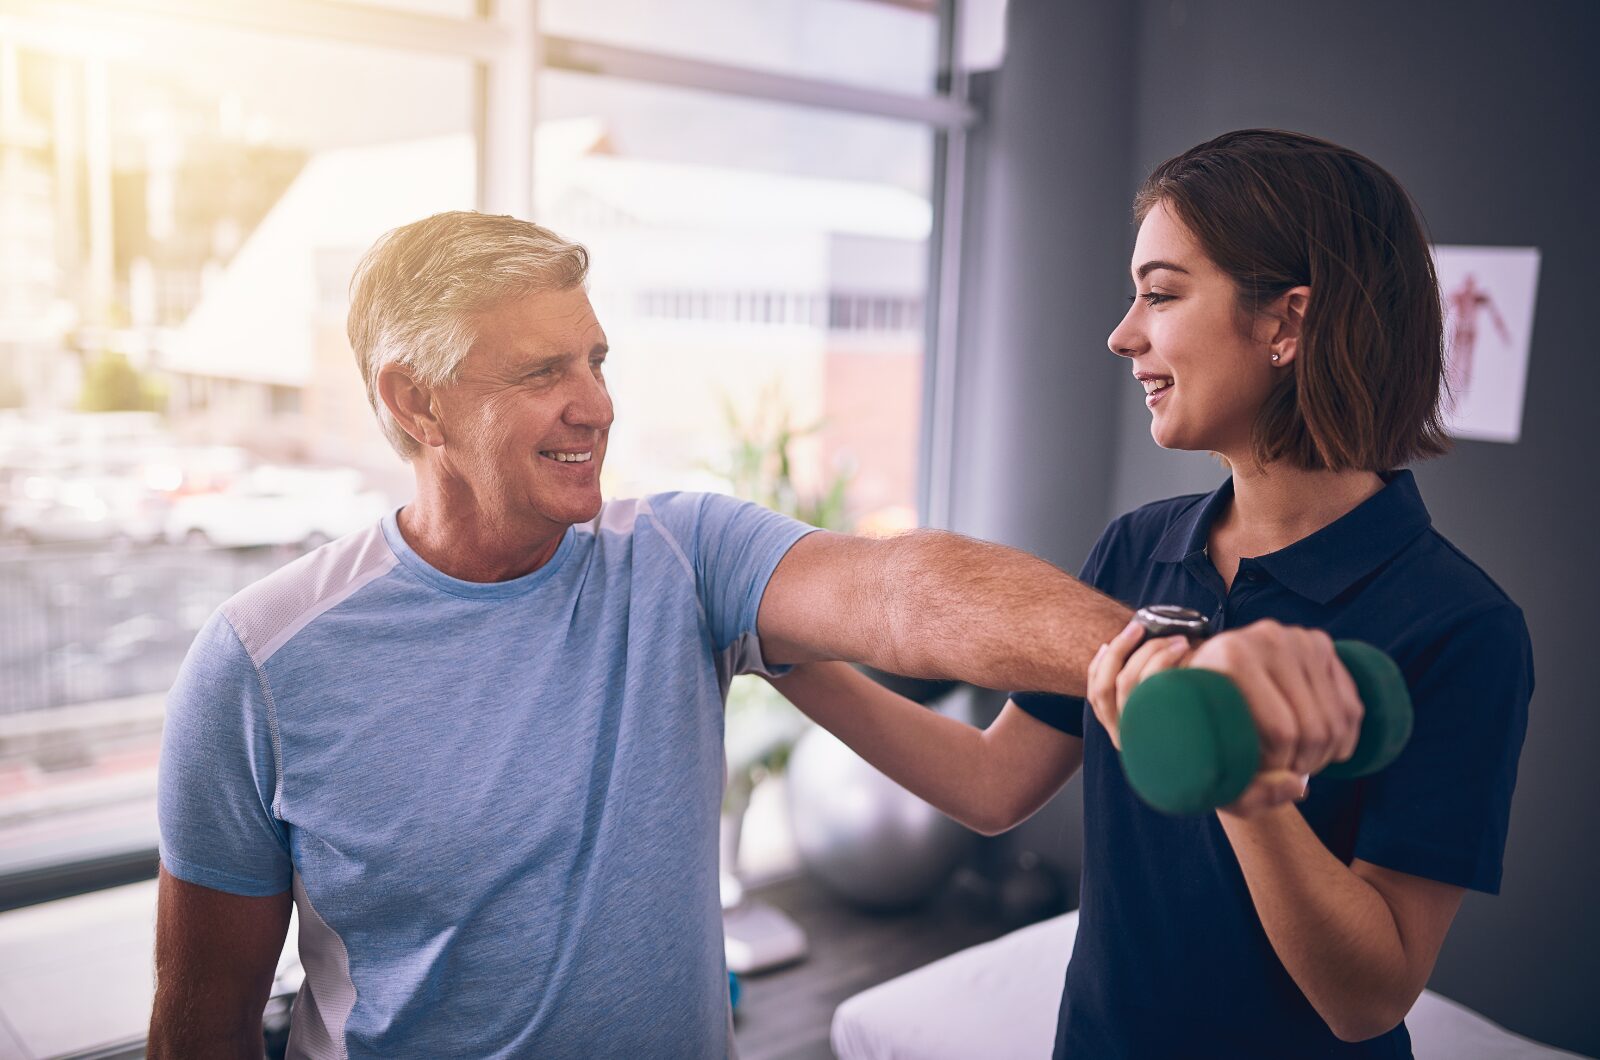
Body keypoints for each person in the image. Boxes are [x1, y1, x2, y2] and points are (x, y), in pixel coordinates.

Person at [145, 210, 1354, 1058]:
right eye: (540, 371)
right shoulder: (262, 663)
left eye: (598, 358)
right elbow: (200, 1026)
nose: (598, 403)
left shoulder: (678, 554)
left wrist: (1159, 662)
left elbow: (902, 590)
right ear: (414, 400)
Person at [770, 130, 1532, 1057]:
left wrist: (1240, 780)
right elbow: (992, 784)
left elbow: (1367, 998)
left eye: (1161, 294)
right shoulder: (1142, 548)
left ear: (1287, 323)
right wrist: (782, 655)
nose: (1122, 332)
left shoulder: (1460, 627)